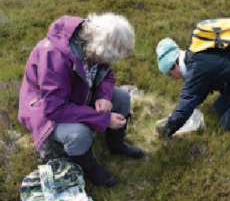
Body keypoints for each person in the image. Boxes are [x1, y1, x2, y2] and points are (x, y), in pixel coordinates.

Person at [18, 13, 144, 187]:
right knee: (78, 134)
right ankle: (87, 167)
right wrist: (104, 119)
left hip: (77, 96)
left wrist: (104, 95)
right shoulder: (54, 56)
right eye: (107, 59)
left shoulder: (94, 43)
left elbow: (107, 73)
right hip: (46, 112)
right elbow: (54, 109)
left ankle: (116, 145)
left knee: (122, 98)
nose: (109, 62)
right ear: (98, 51)